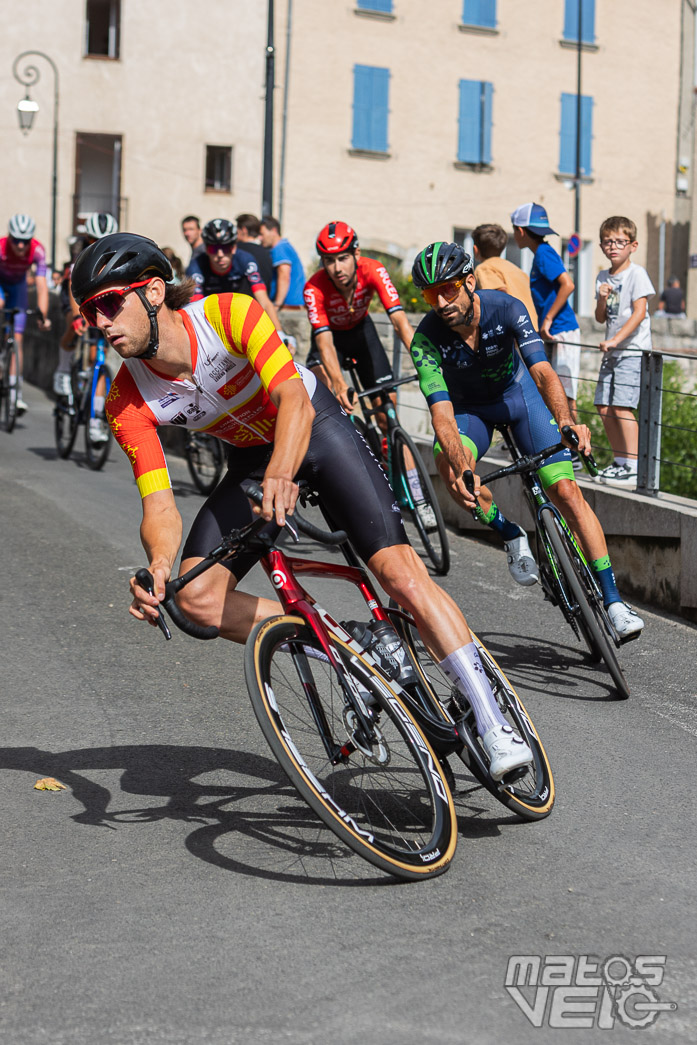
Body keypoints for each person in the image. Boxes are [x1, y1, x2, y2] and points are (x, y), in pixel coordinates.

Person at [70, 231, 537, 779]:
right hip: (251, 459)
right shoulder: (126, 399)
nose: (99, 323)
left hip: (317, 430)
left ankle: (491, 716)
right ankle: (352, 647)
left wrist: (282, 473)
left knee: (400, 575)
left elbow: (292, 396)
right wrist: (157, 567)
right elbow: (159, 504)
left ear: (152, 292)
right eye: (87, 312)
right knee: (193, 598)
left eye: (108, 303)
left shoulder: (227, 316)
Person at [409, 240, 644, 641]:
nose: (441, 301)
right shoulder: (425, 340)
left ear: (469, 282)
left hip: (519, 397)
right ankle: (510, 533)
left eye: (448, 289)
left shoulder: (507, 308)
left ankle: (613, 602)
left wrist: (567, 422)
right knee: (449, 465)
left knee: (567, 492)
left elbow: (542, 373)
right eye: (431, 295)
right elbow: (442, 415)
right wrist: (465, 467)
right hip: (470, 412)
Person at [304, 221, 435, 529]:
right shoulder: (314, 287)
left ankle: (420, 499)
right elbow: (323, 342)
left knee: (389, 417)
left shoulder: (374, 270)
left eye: (342, 258)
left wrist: (424, 360)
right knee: (322, 391)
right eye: (329, 261)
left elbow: (402, 323)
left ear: (356, 254)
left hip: (363, 335)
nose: (336, 268)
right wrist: (338, 384)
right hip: (330, 342)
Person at [594, 216, 655, 485]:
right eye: (608, 242)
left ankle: (633, 464)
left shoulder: (636, 274)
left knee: (622, 406)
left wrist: (616, 340)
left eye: (620, 241)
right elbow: (599, 317)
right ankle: (620, 461)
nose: (614, 247)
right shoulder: (602, 277)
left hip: (631, 351)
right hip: (612, 350)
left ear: (633, 245)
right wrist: (602, 298)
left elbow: (640, 312)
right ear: (601, 245)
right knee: (603, 406)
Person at [511, 203, 581, 426]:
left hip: (562, 331)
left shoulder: (543, 253)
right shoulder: (541, 252)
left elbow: (567, 285)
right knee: (553, 392)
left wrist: (548, 319)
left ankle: (578, 453)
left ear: (520, 231)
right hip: (555, 333)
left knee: (565, 397)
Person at [52, 212, 118, 443]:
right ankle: (62, 371)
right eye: (93, 240)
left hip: (98, 300)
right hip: (76, 296)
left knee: (98, 359)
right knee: (75, 326)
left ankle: (95, 420)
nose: (98, 245)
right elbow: (72, 290)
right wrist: (77, 316)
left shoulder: (114, 257)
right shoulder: (80, 258)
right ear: (88, 239)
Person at [186, 218, 284, 334]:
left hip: (239, 317)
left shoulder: (245, 259)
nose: (220, 254)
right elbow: (195, 308)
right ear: (206, 250)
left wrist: (279, 332)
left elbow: (264, 300)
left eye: (226, 248)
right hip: (210, 320)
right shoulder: (197, 265)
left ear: (234, 248)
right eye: (214, 249)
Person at [0, 213, 52, 414]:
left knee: (18, 339)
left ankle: (16, 395)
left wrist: (43, 315)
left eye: (25, 241)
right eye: (16, 241)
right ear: (9, 237)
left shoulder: (37, 250)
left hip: (18, 286)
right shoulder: (1, 247)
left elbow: (41, 284)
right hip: (1, 284)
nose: (21, 246)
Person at [259, 216, 308, 359]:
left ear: (273, 230)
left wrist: (276, 305)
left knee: (292, 360)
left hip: (288, 310)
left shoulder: (279, 248)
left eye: (262, 234)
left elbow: (284, 274)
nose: (260, 238)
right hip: (294, 309)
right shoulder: (285, 246)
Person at [472, 223, 537, 327]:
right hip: (532, 327)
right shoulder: (517, 270)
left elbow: (499, 295)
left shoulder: (484, 268)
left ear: (475, 249)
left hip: (514, 330)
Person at [235, 213, 274, 288]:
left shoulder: (237, 250)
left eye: (237, 230)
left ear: (244, 229)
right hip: (262, 297)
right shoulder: (267, 252)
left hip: (241, 298)